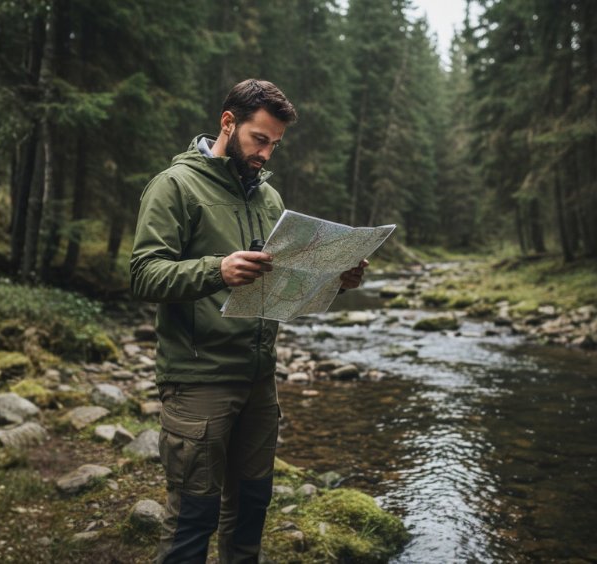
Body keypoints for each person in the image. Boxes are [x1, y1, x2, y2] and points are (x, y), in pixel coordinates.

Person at [130, 79, 368, 564]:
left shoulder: (270, 200)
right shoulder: (174, 186)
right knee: (193, 515)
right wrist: (217, 270)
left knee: (252, 509)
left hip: (260, 378)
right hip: (198, 378)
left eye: (275, 143)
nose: (266, 152)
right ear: (228, 123)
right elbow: (144, 274)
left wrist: (335, 280)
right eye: (260, 139)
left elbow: (285, 286)